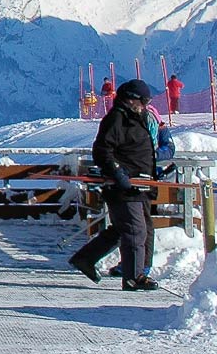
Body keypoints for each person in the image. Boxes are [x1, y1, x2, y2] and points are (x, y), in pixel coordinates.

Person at [68, 79, 161, 291]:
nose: (145, 105)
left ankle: (85, 258)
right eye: (143, 100)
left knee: (128, 228)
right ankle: (134, 277)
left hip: (141, 183)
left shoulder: (137, 118)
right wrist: (118, 173)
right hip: (124, 186)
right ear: (130, 99)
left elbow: (140, 150)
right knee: (135, 230)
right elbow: (102, 151)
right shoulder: (117, 119)